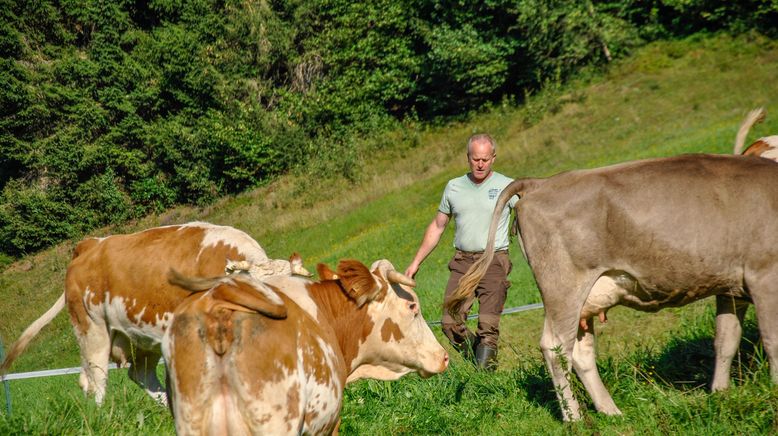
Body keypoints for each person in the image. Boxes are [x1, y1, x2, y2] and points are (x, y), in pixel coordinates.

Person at [405, 133, 517, 370]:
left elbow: (532, 213)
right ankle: (480, 361)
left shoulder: (507, 186)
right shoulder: (454, 187)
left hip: (494, 261)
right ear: (468, 157)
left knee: (488, 328)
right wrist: (416, 262)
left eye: (485, 159)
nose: (480, 164)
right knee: (450, 323)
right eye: (475, 159)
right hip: (463, 262)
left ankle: (484, 379)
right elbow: (438, 226)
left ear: (493, 158)